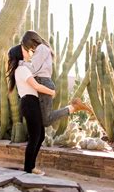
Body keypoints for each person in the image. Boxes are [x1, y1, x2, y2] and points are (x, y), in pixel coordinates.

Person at [7, 44, 89, 175]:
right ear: (19, 53)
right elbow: (36, 85)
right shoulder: (21, 69)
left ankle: (30, 168)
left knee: (40, 136)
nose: (27, 51)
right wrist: (51, 92)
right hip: (29, 103)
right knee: (35, 137)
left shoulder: (22, 68)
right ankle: (28, 169)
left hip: (31, 102)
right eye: (24, 49)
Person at [21, 30, 92, 127]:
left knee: (46, 120)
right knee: (38, 116)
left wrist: (21, 63)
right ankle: (73, 107)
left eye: (28, 46)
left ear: (32, 41)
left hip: (43, 82)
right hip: (42, 81)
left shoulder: (41, 48)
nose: (30, 49)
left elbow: (34, 68)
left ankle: (74, 107)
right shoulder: (43, 49)